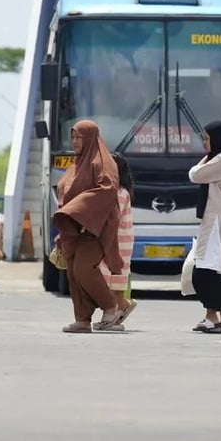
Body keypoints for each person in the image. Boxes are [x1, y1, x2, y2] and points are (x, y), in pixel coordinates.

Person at [55, 120, 124, 333]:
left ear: (90, 138)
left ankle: (112, 307)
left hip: (95, 228)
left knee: (84, 268)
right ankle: (82, 319)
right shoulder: (77, 163)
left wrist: (80, 212)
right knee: (73, 272)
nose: (75, 141)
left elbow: (107, 190)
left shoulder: (103, 163)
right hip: (75, 229)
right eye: (73, 137)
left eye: (79, 137)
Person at [188, 121, 221, 334]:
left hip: (219, 220)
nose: (204, 143)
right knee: (215, 270)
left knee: (205, 271)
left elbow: (194, 174)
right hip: (220, 218)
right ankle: (220, 319)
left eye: (207, 138)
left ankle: (215, 317)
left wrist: (205, 158)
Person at [99, 152, 136, 323]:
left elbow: (112, 217)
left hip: (119, 240)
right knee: (114, 275)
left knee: (114, 274)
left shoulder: (120, 193)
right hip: (118, 239)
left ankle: (117, 307)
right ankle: (121, 305)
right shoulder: (119, 191)